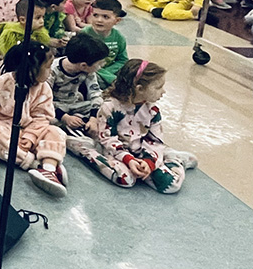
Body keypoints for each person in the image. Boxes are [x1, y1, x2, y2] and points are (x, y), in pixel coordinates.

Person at [67, 60, 196, 193]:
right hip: (116, 153)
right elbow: (108, 140)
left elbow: (155, 141)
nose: (163, 92)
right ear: (139, 89)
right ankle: (85, 149)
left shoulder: (153, 110)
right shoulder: (110, 107)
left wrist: (149, 163)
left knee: (170, 185)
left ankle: (175, 159)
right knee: (124, 179)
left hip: (142, 152)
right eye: (158, 87)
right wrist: (128, 159)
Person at [0, 41, 69, 197]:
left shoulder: (44, 88)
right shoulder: (2, 84)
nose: (50, 72)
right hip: (4, 127)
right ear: (31, 69)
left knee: (55, 131)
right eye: (47, 67)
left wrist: (31, 136)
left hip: (31, 129)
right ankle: (37, 164)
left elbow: (42, 117)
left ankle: (49, 168)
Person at [48, 32, 108, 137]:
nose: (101, 66)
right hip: (55, 108)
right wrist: (65, 117)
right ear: (83, 65)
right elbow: (45, 100)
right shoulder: (52, 71)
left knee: (106, 106)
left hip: (75, 104)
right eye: (99, 64)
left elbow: (95, 92)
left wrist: (93, 118)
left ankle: (82, 123)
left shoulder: (88, 71)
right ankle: (76, 125)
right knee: (48, 120)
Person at [81, 0, 127, 87]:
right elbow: (80, 62)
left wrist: (108, 73)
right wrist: (110, 78)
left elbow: (123, 60)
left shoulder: (119, 37)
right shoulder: (84, 34)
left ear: (117, 20)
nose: (99, 20)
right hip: (88, 72)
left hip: (109, 72)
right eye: (95, 15)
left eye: (105, 17)